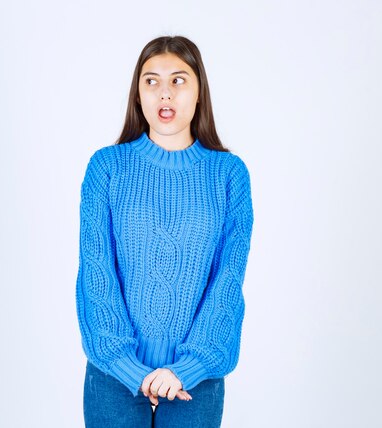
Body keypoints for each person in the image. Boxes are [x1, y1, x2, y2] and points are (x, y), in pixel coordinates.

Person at [75, 35, 254, 427]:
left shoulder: (228, 175)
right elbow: (96, 271)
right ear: (137, 93)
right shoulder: (106, 168)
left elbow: (228, 279)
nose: (165, 94)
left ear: (198, 91)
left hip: (195, 381)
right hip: (114, 378)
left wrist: (189, 367)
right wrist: (128, 367)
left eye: (178, 80)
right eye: (151, 81)